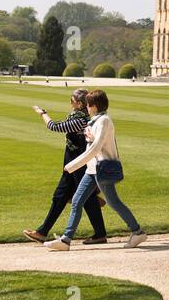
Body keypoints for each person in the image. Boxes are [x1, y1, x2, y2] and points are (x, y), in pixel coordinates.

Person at [46, 89, 147, 251]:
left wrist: (72, 166)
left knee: (114, 202)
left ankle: (137, 232)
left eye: (88, 105)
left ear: (93, 106)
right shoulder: (96, 120)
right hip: (93, 170)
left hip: (102, 169)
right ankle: (65, 240)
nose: (86, 107)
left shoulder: (103, 121)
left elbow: (95, 148)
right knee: (77, 202)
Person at [24, 89, 109, 245]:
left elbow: (54, 126)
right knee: (61, 196)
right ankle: (43, 231)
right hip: (73, 164)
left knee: (77, 198)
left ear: (78, 103)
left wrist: (42, 113)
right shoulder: (82, 118)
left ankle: (98, 233)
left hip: (78, 164)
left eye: (71, 101)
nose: (70, 104)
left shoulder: (80, 120)